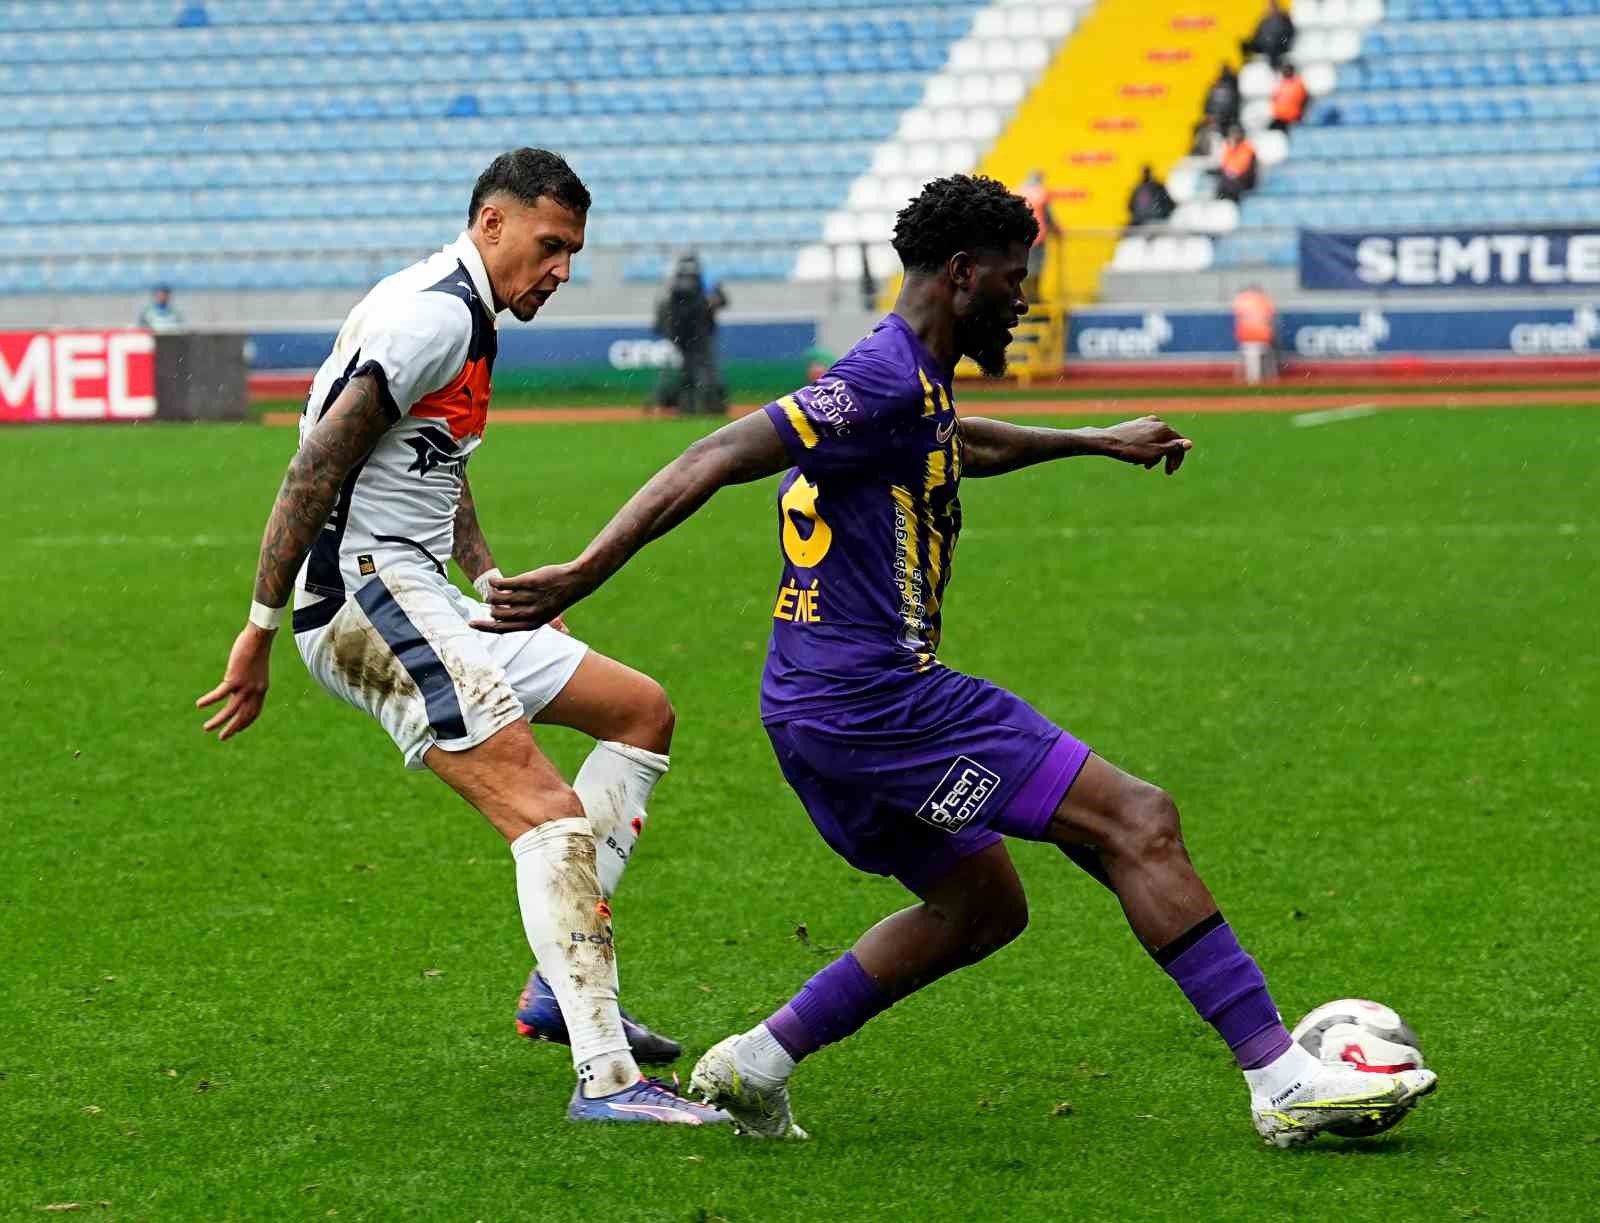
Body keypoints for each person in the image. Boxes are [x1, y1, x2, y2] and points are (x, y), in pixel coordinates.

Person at [476, 174, 1437, 1145]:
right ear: (963, 272)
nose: (1024, 300)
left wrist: (1094, 439)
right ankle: (1280, 1076)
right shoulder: (883, 375)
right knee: (1137, 818)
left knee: (981, 905)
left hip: (813, 712)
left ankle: (755, 1061)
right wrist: (583, 573)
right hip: (882, 702)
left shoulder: (910, 386)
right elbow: (720, 450)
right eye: (1015, 280)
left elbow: (952, 440)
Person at [194, 148, 727, 1127]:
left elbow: (437, 461)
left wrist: (490, 577)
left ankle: (554, 985)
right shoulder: (435, 313)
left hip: (421, 584)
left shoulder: (469, 312)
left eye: (571, 251)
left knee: (640, 711)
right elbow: (314, 466)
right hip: (362, 596)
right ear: (492, 223)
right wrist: (260, 626)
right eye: (549, 245)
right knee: (547, 810)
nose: (560, 269)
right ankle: (608, 1078)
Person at [652, 253, 728, 415]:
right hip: (700, 334)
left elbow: (666, 310)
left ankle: (688, 406)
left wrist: (669, 330)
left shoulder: (673, 284)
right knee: (707, 371)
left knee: (689, 372)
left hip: (683, 335)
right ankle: (711, 405)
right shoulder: (705, 283)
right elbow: (721, 301)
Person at [1017, 169, 1061, 303]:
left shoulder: (1019, 192)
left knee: (1023, 269)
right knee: (1036, 270)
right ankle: (1033, 300)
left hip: (1021, 238)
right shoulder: (1041, 194)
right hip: (1038, 238)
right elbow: (1049, 217)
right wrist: (1058, 231)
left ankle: (1025, 298)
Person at [1233, 283, 1279, 384]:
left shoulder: (1241, 300)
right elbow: (1271, 320)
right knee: (1260, 356)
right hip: (1262, 338)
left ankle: (1253, 380)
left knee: (1252, 356)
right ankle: (1261, 380)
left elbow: (1237, 318)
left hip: (1247, 338)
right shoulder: (1264, 300)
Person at [1241, 0, 1296, 69]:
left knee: (1272, 44)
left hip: (1278, 44)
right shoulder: (1264, 21)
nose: (1271, 8)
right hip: (1263, 44)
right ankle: (1246, 66)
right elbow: (1256, 35)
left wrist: (1283, 40)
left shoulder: (1284, 18)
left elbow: (1290, 33)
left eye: (1273, 6)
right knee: (1244, 44)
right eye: (1269, 6)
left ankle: (1275, 67)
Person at [1215, 125, 1259, 203]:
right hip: (1231, 180)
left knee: (1227, 184)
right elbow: (1224, 165)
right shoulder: (1230, 148)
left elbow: (1241, 169)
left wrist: (1230, 173)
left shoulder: (1247, 149)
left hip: (1245, 181)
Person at [1202, 63, 1241, 132]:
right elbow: (1208, 102)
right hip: (1224, 117)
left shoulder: (1233, 85)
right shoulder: (1217, 86)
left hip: (1228, 117)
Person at [1271, 63, 1309, 131]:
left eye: (1287, 70)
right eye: (1284, 70)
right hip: (1279, 117)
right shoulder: (1280, 83)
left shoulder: (1298, 83)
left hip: (1293, 117)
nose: (1285, 72)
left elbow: (1304, 100)